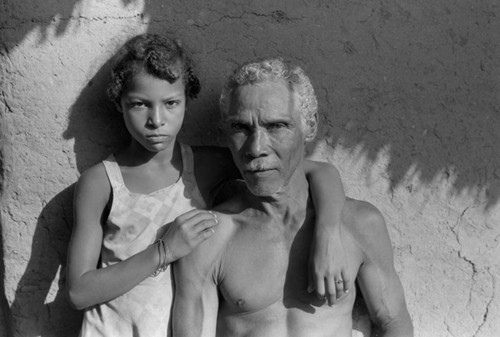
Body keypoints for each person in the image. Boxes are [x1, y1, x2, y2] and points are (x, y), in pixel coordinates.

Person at [65, 34, 349, 337]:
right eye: (139, 105)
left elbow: (318, 172)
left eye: (171, 103)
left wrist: (327, 233)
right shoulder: (102, 181)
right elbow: (79, 292)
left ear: (187, 100)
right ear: (119, 103)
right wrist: (165, 251)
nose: (156, 120)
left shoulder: (204, 166)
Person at [172, 57, 414, 337]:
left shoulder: (358, 224)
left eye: (276, 126)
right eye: (241, 128)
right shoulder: (209, 237)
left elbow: (392, 322)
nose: (256, 147)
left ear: (309, 126)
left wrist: (327, 231)